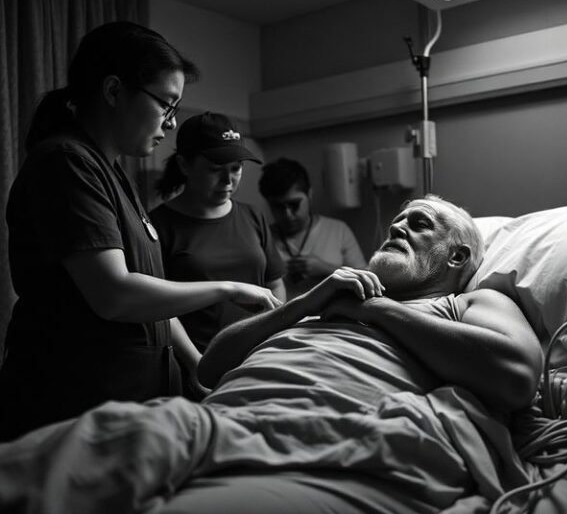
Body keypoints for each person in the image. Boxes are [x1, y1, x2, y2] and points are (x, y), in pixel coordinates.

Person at [0, 195, 544, 514]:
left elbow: (516, 376)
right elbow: (214, 366)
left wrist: (376, 313)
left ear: (457, 257)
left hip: (328, 439)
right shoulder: (329, 299)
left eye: (420, 224)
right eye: (398, 219)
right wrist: (303, 304)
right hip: (215, 421)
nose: (398, 226)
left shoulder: (469, 301)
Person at [0, 22, 281, 442]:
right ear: (114, 91)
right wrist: (228, 289)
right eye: (166, 105)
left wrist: (194, 364)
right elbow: (115, 294)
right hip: (75, 403)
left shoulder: (113, 174)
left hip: (132, 403)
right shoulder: (65, 162)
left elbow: (153, 299)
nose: (169, 125)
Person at [149, 112, 286, 396]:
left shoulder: (252, 217)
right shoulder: (158, 225)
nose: (228, 180)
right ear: (184, 165)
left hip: (257, 358)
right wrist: (198, 365)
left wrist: (275, 340)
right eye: (215, 169)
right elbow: (158, 307)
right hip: (194, 367)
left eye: (236, 168)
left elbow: (274, 285)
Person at [259, 157, 366, 299]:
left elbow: (366, 279)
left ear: (309, 194)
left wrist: (326, 269)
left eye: (294, 204)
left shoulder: (338, 230)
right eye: (278, 207)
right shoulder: (262, 239)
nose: (288, 215)